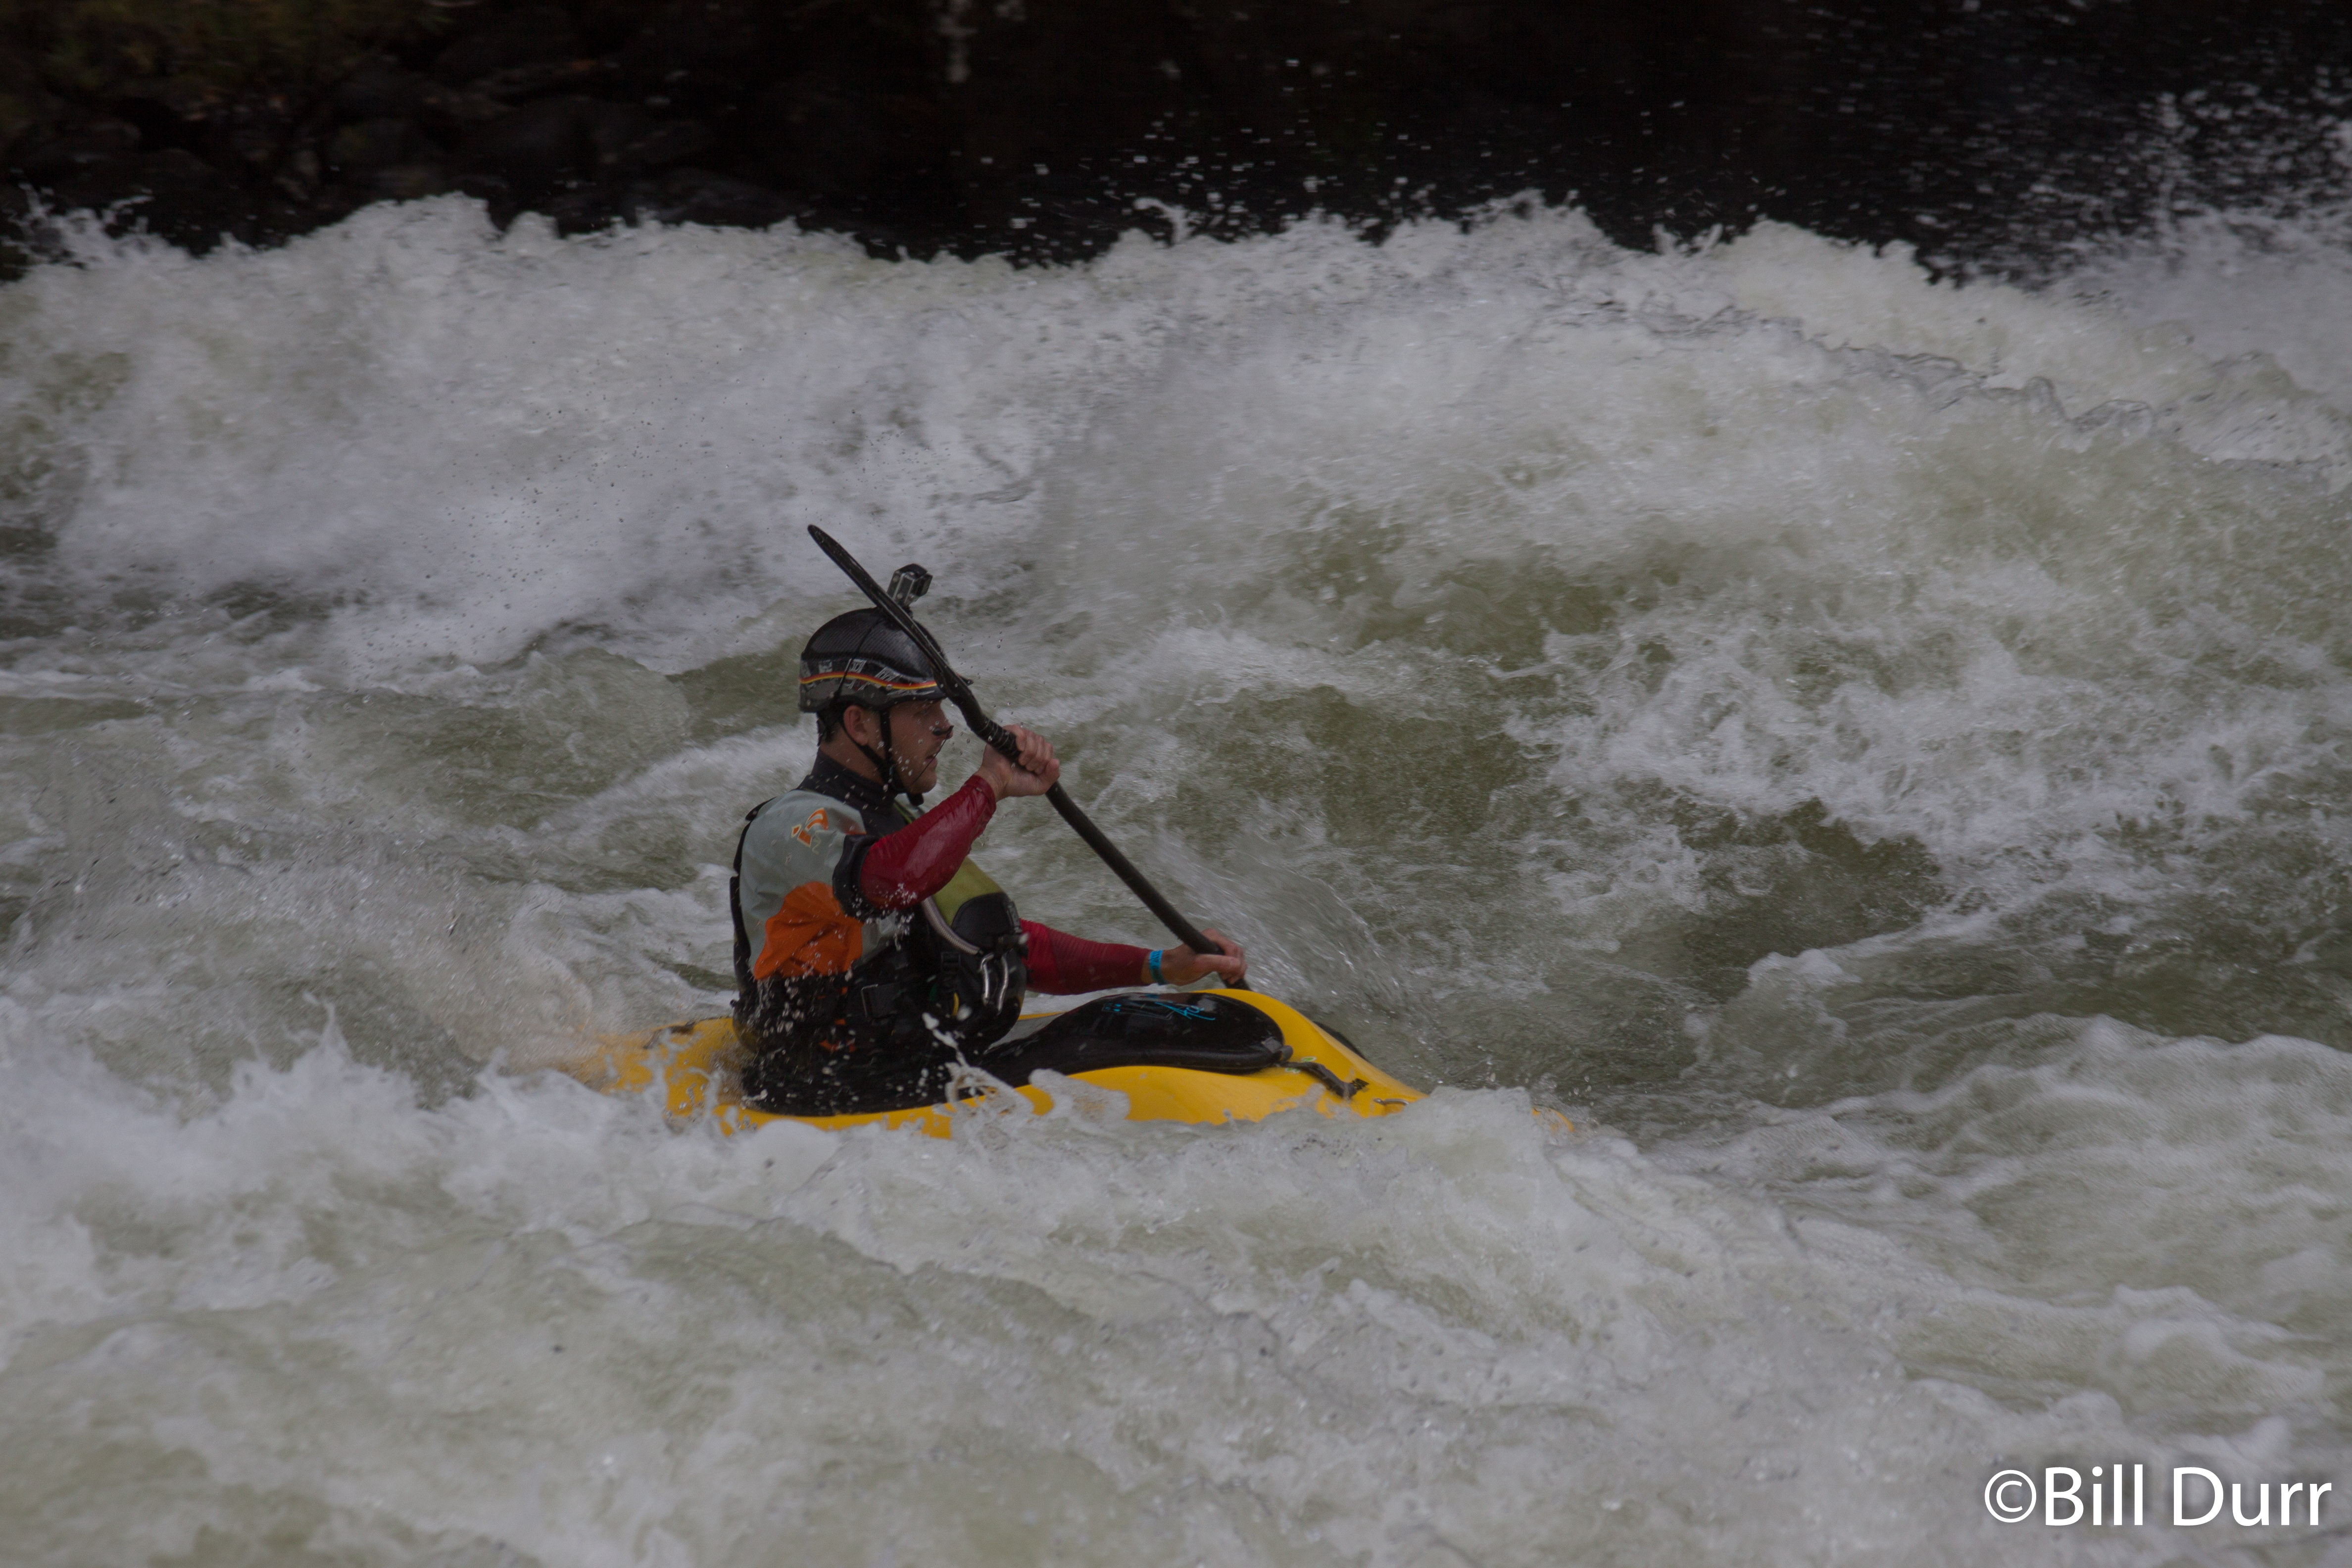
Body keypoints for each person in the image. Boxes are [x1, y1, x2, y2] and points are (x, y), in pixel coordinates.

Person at [729, 607, 1246, 1114]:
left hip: (906, 1066)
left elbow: (1008, 945)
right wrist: (990, 784)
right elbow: (893, 880)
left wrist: (1156, 966)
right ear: (859, 724)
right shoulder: (793, 826)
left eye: (941, 708)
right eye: (922, 711)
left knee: (1118, 1024)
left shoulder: (898, 824)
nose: (944, 727)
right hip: (817, 1089)